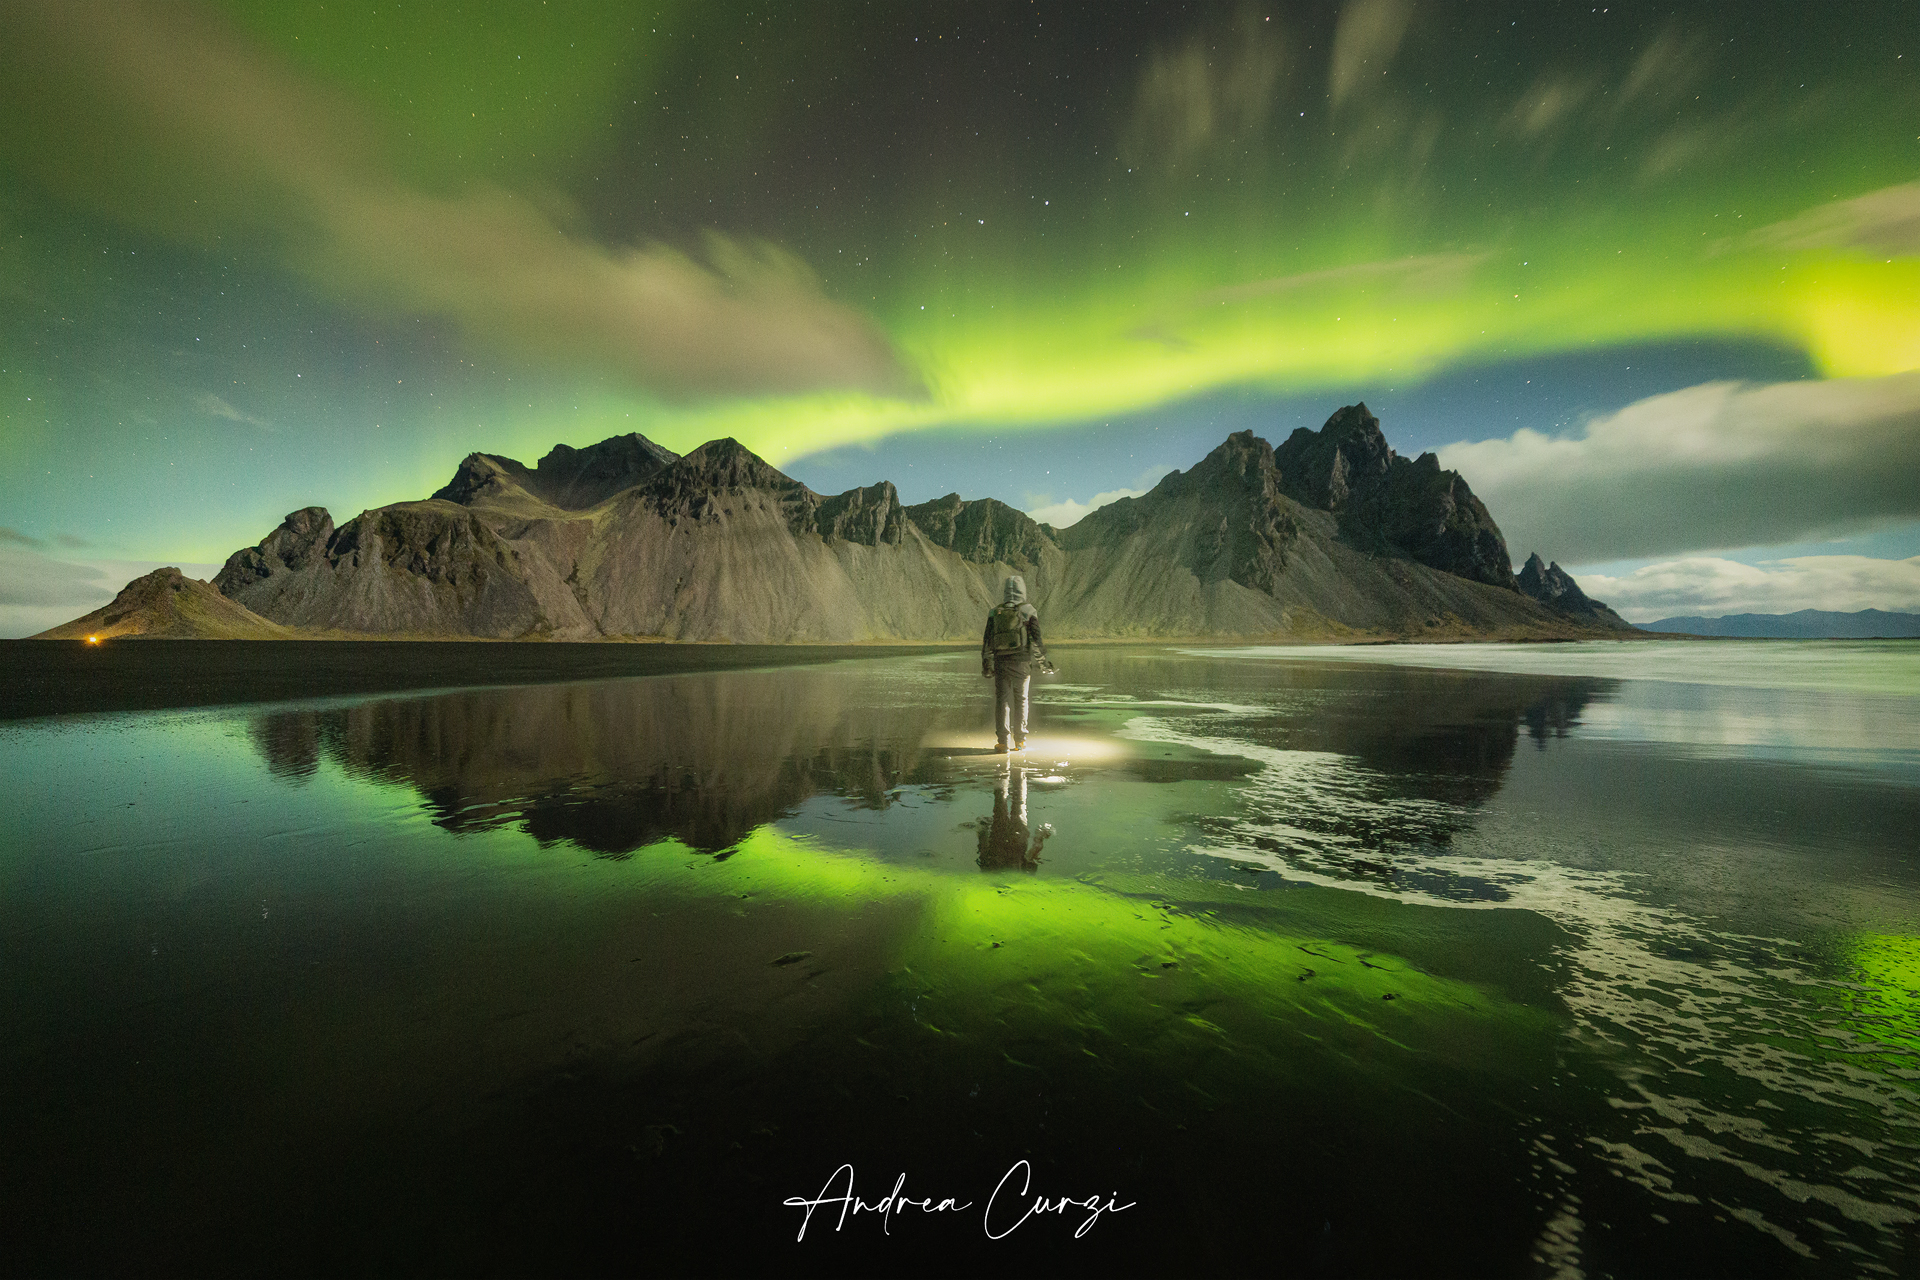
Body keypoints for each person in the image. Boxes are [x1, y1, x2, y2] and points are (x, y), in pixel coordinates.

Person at [981, 573, 1052, 752]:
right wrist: (1044, 664)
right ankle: (1020, 741)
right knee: (1021, 699)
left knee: (1002, 700)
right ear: (1023, 590)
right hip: (1022, 663)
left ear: (1005, 592)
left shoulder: (995, 612)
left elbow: (987, 641)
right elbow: (1036, 641)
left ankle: (1003, 742)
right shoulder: (1028, 611)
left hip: (1001, 662)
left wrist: (986, 664)